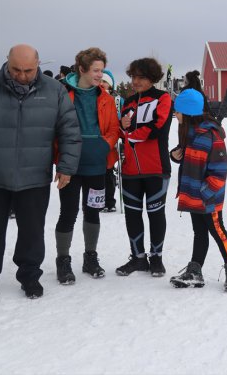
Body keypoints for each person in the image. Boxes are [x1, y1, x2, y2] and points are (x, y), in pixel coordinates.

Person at [0, 44, 81, 298]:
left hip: (34, 176)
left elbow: (70, 131)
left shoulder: (54, 90)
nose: (22, 76)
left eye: (28, 70)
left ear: (38, 64)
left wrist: (66, 166)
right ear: (7, 63)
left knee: (32, 230)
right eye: (16, 70)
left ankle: (30, 275)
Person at [54, 47, 119, 284]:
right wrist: (60, 160)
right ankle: (63, 260)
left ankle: (90, 257)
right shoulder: (62, 94)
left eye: (101, 70)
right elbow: (54, 128)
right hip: (70, 165)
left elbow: (113, 129)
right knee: (68, 212)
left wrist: (104, 146)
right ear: (81, 69)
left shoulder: (106, 98)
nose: (100, 75)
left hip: (97, 166)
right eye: (95, 70)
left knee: (93, 211)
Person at [168, 89, 227, 291]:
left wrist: (204, 193)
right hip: (194, 196)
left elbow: (219, 172)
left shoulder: (211, 135)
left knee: (218, 232)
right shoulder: (190, 133)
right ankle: (195, 271)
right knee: (199, 233)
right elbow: (187, 159)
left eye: (178, 110)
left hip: (207, 198)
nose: (176, 114)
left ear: (189, 112)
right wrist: (175, 155)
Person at [116, 57, 173, 277]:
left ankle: (156, 257)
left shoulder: (163, 98)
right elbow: (121, 132)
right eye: (133, 77)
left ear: (152, 78)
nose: (136, 81)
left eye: (141, 77)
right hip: (130, 169)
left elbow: (158, 127)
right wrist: (123, 127)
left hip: (156, 167)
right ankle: (138, 258)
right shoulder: (128, 102)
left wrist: (130, 135)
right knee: (132, 215)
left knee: (155, 214)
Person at [100, 69, 119, 213]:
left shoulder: (114, 100)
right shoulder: (94, 97)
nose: (102, 84)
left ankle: (110, 201)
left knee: (108, 174)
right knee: (96, 176)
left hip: (109, 143)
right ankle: (98, 201)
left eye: (105, 82)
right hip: (97, 142)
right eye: (100, 81)